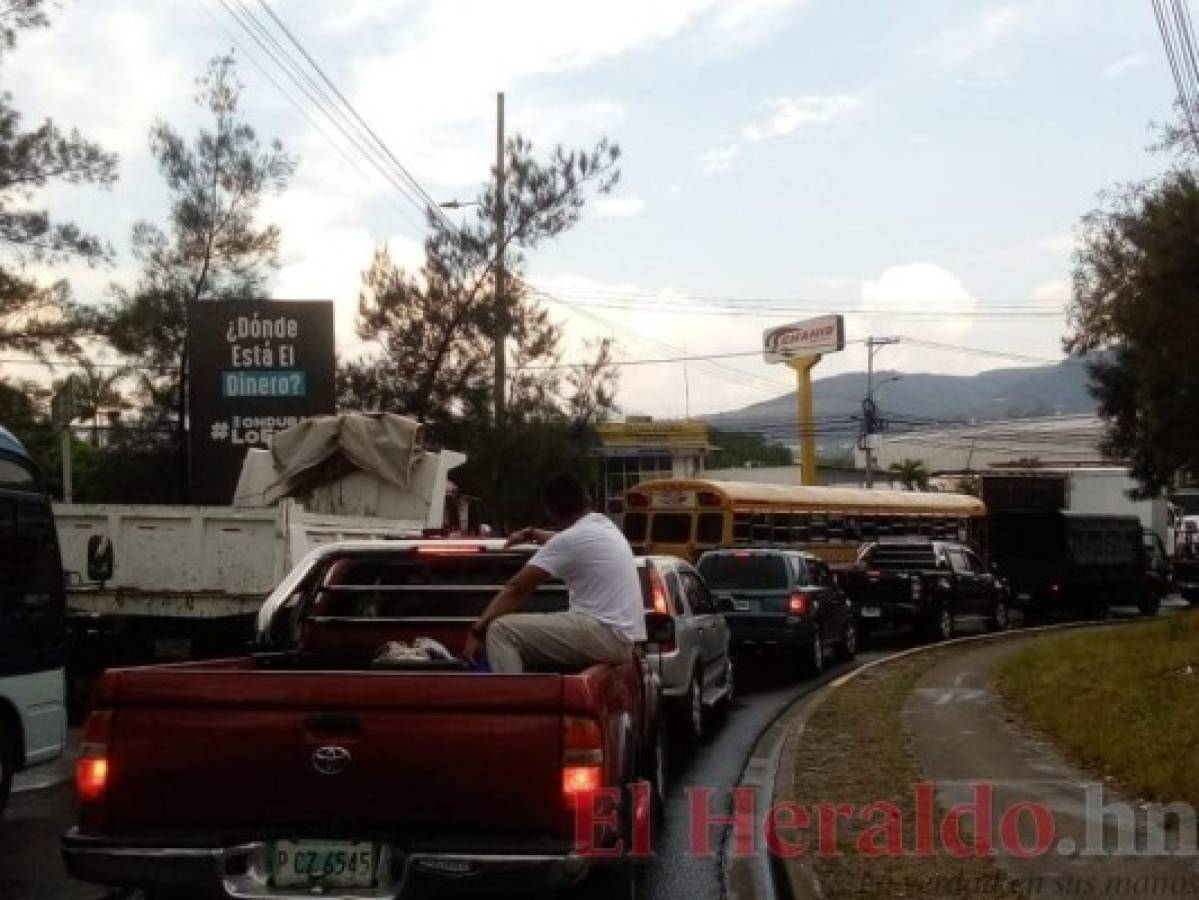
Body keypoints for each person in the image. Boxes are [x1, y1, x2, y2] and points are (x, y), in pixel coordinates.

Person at [462, 473, 645, 674]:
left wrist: (477, 630)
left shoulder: (570, 540)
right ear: (587, 500)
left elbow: (517, 588)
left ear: (551, 513)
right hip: (621, 638)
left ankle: (512, 701)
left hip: (604, 634)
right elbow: (566, 539)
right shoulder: (603, 526)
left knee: (501, 630)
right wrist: (531, 533)